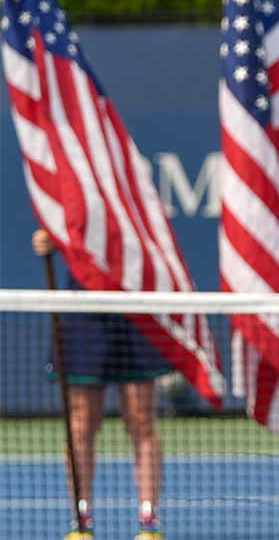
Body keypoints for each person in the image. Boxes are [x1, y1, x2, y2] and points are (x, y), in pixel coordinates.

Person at [33, 228, 167, 540]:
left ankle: (149, 522)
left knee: (141, 418)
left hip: (134, 300)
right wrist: (52, 236)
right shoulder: (70, 188)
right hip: (84, 305)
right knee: (80, 423)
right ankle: (82, 520)